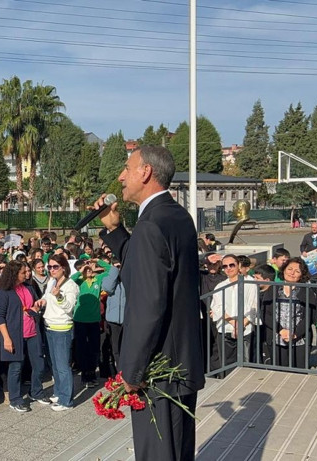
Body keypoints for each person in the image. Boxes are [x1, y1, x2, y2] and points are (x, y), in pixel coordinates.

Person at [95, 145, 205, 460]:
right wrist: (115, 231)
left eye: (127, 169)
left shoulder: (152, 225)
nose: (121, 176)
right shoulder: (175, 216)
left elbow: (147, 305)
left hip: (159, 372)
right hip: (179, 364)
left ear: (145, 173)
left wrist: (131, 370)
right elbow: (147, 270)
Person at [0, 260, 47, 413]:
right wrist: (7, 338)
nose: (27, 274)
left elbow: (32, 306)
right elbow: (0, 316)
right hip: (14, 334)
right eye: (23, 272)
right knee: (16, 367)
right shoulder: (4, 292)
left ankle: (36, 392)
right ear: (14, 274)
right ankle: (15, 399)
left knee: (39, 364)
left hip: (33, 331)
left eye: (27, 271)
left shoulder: (29, 287)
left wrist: (37, 306)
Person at [261, 257, 317, 369]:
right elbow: (265, 313)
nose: (292, 273)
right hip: (277, 336)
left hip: (299, 339)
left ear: (302, 275)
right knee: (278, 371)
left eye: (297, 271)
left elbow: (310, 316)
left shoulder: (307, 291)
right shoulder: (274, 289)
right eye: (289, 269)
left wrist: (295, 333)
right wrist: (281, 330)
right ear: (284, 270)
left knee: (298, 372)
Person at [41, 253, 78, 411]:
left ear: (63, 267)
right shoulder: (51, 282)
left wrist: (60, 296)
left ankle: (66, 400)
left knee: (63, 366)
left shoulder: (70, 285)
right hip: (49, 325)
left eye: (55, 266)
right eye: (49, 266)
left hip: (62, 328)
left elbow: (69, 307)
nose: (52, 269)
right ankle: (59, 391)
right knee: (55, 365)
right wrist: (41, 301)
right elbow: (46, 297)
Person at [208, 254, 258, 375]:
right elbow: (216, 308)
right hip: (225, 328)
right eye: (225, 266)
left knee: (245, 362)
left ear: (238, 265)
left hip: (245, 328)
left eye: (232, 265)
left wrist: (241, 324)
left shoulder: (251, 283)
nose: (228, 268)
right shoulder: (220, 286)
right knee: (226, 364)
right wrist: (233, 322)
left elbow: (254, 307)